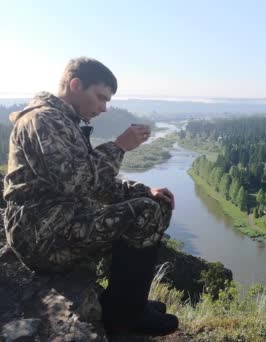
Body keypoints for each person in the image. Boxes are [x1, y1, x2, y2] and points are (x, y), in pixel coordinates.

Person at [3, 57, 179, 336]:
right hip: (40, 235)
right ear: (75, 85)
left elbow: (94, 183)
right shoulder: (42, 120)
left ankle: (126, 302)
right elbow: (75, 183)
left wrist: (145, 191)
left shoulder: (64, 121)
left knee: (154, 204)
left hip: (58, 223)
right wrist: (119, 146)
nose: (103, 108)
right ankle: (124, 316)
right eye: (100, 98)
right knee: (144, 213)